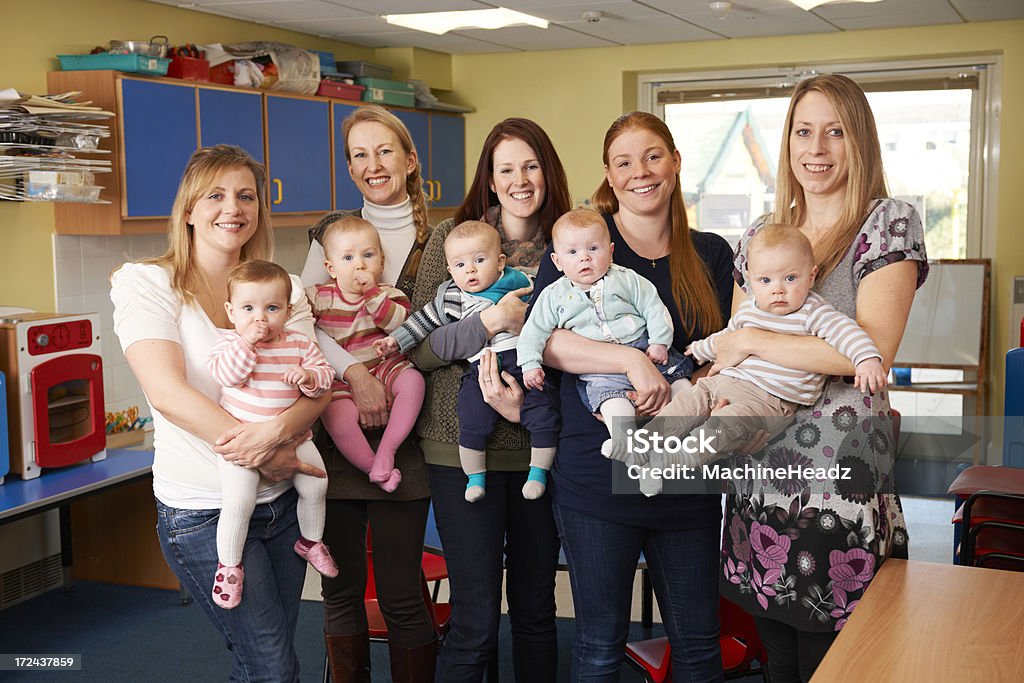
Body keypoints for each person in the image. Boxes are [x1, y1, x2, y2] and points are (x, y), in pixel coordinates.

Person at [716, 74, 927, 683]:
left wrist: (754, 339)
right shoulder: (760, 234)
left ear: (859, 141)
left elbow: (872, 349)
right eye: (804, 131)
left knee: (838, 658)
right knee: (777, 650)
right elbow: (734, 353)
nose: (818, 147)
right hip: (763, 466)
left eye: (836, 132)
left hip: (840, 483)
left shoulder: (888, 223)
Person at [527, 111, 735, 681]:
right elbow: (547, 342)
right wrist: (626, 359)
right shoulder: (580, 242)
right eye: (624, 162)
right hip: (596, 477)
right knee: (599, 645)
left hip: (685, 469)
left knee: (698, 646)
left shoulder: (712, 253)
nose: (640, 172)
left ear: (674, 163)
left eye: (652, 156)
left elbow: (720, 349)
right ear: (609, 175)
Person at [111, 144, 330, 681]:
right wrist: (261, 451)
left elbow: (317, 385)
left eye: (246, 196)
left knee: (259, 658)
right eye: (216, 195)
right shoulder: (148, 283)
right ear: (188, 208)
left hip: (281, 507)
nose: (232, 207)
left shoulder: (283, 288)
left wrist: (275, 443)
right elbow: (167, 392)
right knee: (274, 667)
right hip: (202, 509)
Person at [412, 118, 571, 682]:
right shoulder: (449, 241)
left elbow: (583, 350)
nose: (520, 179)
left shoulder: (569, 246)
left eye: (531, 165)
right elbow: (419, 349)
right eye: (506, 168)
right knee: (475, 617)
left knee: (535, 611)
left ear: (548, 172)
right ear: (490, 178)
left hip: (540, 449)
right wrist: (491, 325)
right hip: (459, 449)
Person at [300, 105, 436, 682]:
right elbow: (302, 325)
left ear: (409, 161)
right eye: (359, 154)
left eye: (384, 151)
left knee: (404, 594)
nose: (372, 164)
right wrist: (355, 376)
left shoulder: (438, 239)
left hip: (409, 446)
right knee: (341, 591)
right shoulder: (330, 237)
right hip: (339, 430)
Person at [647, 224, 887, 470]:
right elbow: (729, 337)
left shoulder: (813, 312)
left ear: (811, 276)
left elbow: (847, 333)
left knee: (724, 425)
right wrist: (700, 349)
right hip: (725, 383)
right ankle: (642, 444)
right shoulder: (750, 308)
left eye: (790, 278)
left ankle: (672, 463)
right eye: (766, 280)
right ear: (751, 280)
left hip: (767, 401)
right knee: (688, 401)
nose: (778, 289)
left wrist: (867, 359)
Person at [375, 220, 558, 503]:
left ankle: (538, 472)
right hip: (480, 367)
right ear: (450, 270)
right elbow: (422, 323)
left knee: (542, 409)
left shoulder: (520, 282)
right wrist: (396, 340)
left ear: (500, 262)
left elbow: (550, 315)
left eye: (479, 260)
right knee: (471, 416)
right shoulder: (452, 297)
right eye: (459, 265)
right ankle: (475, 477)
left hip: (524, 363)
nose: (470, 270)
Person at [516, 207, 693, 498]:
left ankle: (662, 453)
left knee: (685, 392)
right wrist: (530, 364)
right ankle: (635, 457)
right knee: (615, 411)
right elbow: (533, 333)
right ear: (557, 261)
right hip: (600, 371)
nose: (584, 257)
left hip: (646, 350)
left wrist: (659, 342)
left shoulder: (626, 279)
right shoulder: (553, 296)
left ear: (610, 251)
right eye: (572, 252)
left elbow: (653, 308)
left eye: (593, 248)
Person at [207, 259, 339, 609]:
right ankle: (229, 567)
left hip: (294, 437)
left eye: (272, 308)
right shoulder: (229, 344)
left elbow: (325, 376)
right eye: (248, 309)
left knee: (318, 483)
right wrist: (248, 344)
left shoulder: (297, 344)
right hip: (243, 444)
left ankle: (310, 542)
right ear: (231, 311)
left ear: (287, 310)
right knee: (239, 502)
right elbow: (228, 376)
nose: (260, 318)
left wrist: (308, 378)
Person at [307, 216, 424, 494]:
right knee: (334, 414)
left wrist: (373, 294)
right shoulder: (319, 297)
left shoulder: (388, 294)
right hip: (341, 380)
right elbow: (300, 325)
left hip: (385, 366)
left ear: (381, 263)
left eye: (368, 255)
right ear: (330, 268)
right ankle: (373, 467)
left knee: (414, 383)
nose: (359, 264)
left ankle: (387, 450)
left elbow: (397, 325)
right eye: (348, 257)